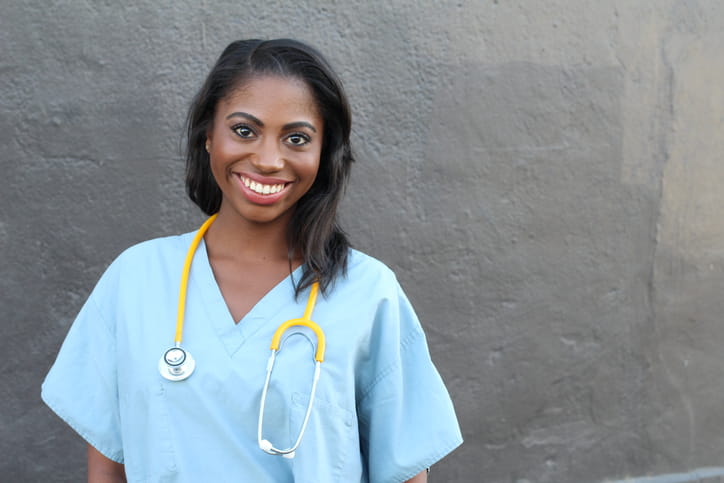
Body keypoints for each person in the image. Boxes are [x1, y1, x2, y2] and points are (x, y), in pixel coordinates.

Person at [42, 38, 462, 482]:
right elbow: (108, 469)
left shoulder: (367, 292)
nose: (267, 160)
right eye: (244, 130)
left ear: (323, 155)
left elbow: (405, 472)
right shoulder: (136, 280)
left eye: (296, 138)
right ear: (208, 135)